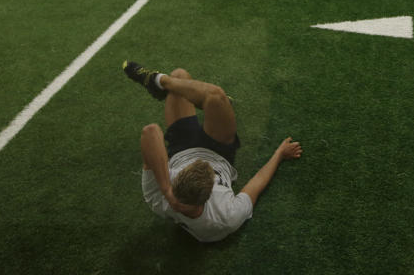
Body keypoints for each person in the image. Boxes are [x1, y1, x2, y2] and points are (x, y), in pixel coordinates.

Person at [123, 61, 302, 242]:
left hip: (181, 148)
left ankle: (159, 82)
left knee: (180, 75)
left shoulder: (158, 199)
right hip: (218, 152)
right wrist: (279, 154)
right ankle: (173, 86)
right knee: (216, 96)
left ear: (177, 180)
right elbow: (255, 185)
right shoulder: (226, 218)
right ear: (208, 194)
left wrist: (166, 190)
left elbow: (151, 131)